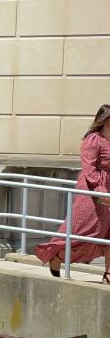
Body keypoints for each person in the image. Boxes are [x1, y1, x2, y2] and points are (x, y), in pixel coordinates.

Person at [35, 105, 110, 282]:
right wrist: (101, 191)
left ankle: (108, 273)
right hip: (93, 192)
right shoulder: (93, 139)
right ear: (106, 120)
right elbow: (89, 167)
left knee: (108, 234)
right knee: (84, 231)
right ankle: (57, 257)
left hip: (108, 188)